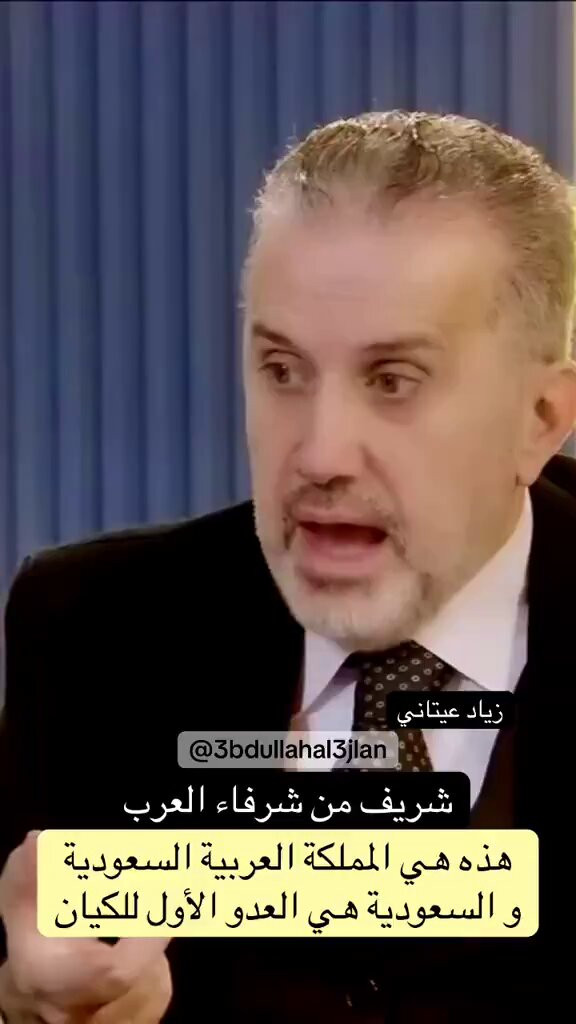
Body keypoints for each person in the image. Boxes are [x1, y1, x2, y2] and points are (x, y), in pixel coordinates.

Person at [1, 109, 575, 1023]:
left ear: (540, 419)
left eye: (392, 380)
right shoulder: (91, 627)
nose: (319, 455)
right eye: (282, 370)